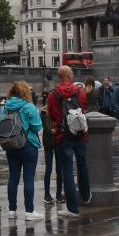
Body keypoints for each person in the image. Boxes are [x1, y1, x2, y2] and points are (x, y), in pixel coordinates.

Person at [47, 65, 90, 218]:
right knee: (83, 163)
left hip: (63, 135)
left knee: (67, 170)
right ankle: (85, 196)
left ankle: (72, 208)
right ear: (70, 75)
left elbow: (51, 115)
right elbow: (84, 108)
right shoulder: (80, 91)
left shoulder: (53, 94)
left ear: (59, 76)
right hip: (81, 133)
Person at [1, 81, 43, 221]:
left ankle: (12, 210)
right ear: (25, 92)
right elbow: (37, 127)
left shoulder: (5, 108)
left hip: (11, 144)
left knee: (13, 177)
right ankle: (29, 211)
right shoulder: (29, 107)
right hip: (28, 144)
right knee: (28, 177)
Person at [39, 90, 58, 207]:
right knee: (49, 169)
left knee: (59, 169)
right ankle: (47, 194)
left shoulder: (59, 109)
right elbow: (46, 128)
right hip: (48, 143)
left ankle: (59, 193)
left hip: (58, 142)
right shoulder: (44, 112)